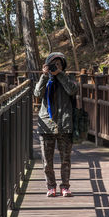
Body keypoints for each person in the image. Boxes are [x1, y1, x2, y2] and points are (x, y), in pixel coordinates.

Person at [33, 52, 79, 197]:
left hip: (65, 124)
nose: (55, 66)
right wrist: (45, 75)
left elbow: (72, 90)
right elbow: (37, 93)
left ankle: (65, 186)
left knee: (66, 159)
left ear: (63, 65)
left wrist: (60, 74)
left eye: (59, 64)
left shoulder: (68, 78)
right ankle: (51, 186)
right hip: (47, 124)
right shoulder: (45, 79)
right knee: (47, 161)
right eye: (53, 64)